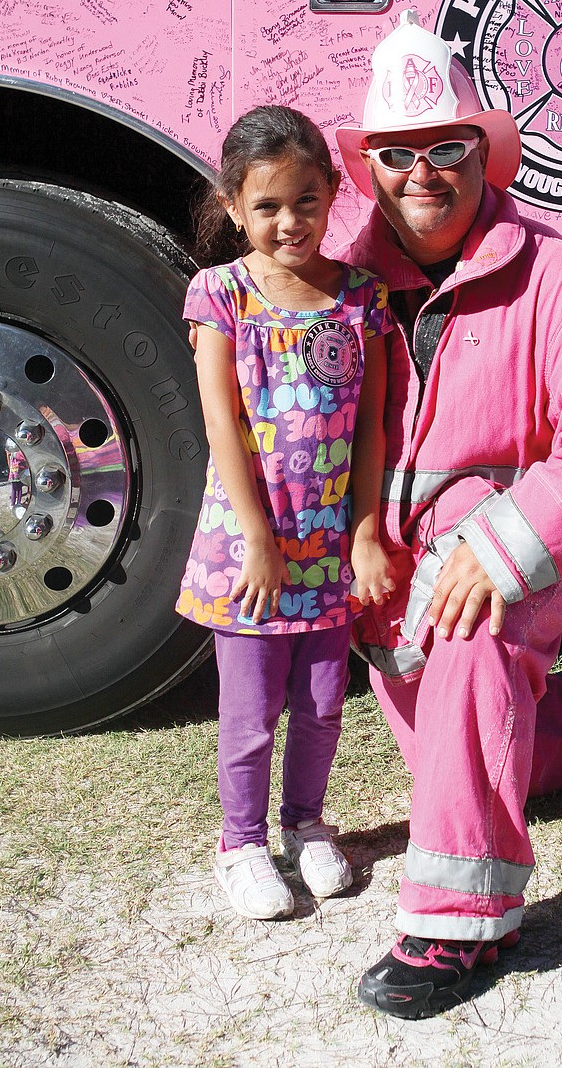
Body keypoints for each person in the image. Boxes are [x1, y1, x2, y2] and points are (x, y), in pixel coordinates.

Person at [331, 9, 562, 1017]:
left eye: (446, 148)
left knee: (473, 634)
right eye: (397, 154)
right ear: (371, 165)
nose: (422, 173)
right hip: (407, 540)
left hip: (550, 523)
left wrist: (496, 553)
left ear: (483, 153)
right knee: (465, 740)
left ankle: (456, 928)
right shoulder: (349, 283)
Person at [176, 105, 396, 921]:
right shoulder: (220, 293)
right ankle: (240, 842)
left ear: (332, 194)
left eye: (305, 200)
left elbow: (373, 424)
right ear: (234, 206)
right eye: (266, 206)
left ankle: (306, 823)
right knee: (250, 710)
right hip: (251, 552)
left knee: (324, 701)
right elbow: (221, 422)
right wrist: (259, 541)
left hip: (330, 550)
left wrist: (367, 530)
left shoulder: (362, 299)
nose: (289, 221)